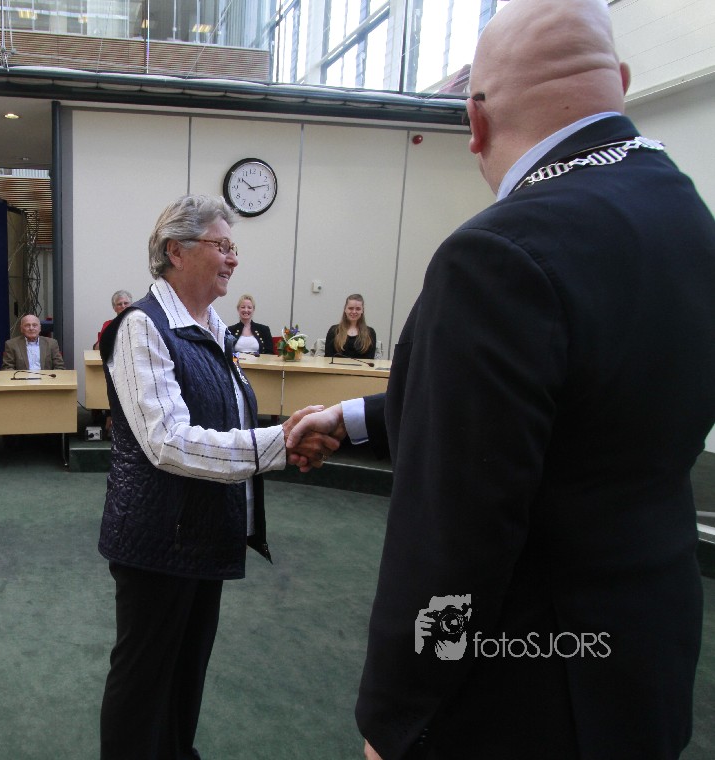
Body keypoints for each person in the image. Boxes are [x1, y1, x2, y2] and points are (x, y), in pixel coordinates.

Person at [286, 1, 715, 757]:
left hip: (527, 690)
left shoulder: (497, 254)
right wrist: (351, 419)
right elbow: (563, 409)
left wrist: (396, 717)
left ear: (475, 122)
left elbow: (450, 535)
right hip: (646, 658)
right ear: (618, 82)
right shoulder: (688, 218)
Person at [97, 194, 338, 760]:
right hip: (157, 541)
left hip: (202, 534)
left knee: (185, 676)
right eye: (222, 245)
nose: (233, 258)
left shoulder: (213, 330)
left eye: (234, 247)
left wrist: (284, 438)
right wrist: (282, 442)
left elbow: (226, 421)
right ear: (176, 251)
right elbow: (169, 442)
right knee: (144, 684)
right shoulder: (142, 326)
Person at [323, 293, 376, 359]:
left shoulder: (370, 332)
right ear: (345, 309)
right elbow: (328, 358)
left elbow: (370, 359)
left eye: (358, 309)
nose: (354, 312)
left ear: (362, 310)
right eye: (350, 308)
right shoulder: (333, 330)